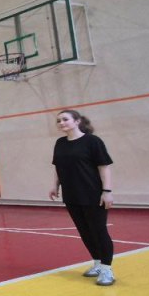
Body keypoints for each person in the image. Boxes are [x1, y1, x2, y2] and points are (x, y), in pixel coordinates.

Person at [49, 109, 115, 286]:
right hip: (71, 195)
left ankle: (107, 269)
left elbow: (104, 167)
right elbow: (58, 167)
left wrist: (107, 191)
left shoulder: (92, 141)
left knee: (99, 231)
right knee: (84, 231)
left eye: (65, 119)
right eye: (58, 121)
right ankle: (97, 263)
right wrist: (55, 185)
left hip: (93, 194)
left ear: (77, 121)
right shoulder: (60, 143)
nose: (61, 123)